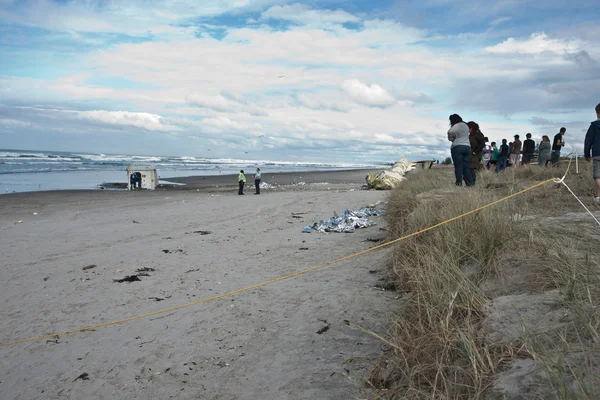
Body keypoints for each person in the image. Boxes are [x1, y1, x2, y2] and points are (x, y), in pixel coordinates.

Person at [447, 114, 473, 186]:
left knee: (458, 166)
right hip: (467, 146)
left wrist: (451, 138)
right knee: (466, 166)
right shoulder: (465, 125)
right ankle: (470, 183)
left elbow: (450, 132)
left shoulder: (456, 125)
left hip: (457, 146)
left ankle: (459, 183)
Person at [584, 103, 600, 203]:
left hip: (597, 153)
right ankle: (598, 197)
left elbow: (588, 140)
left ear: (597, 113)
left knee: (597, 176)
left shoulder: (594, 125)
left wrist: (586, 154)